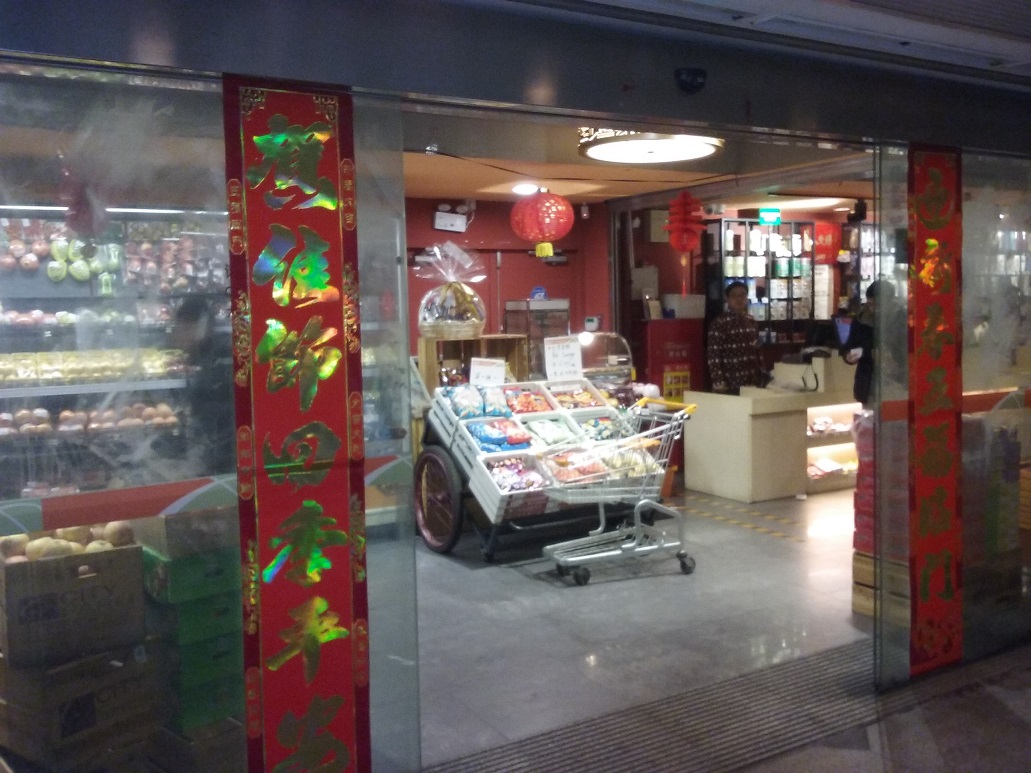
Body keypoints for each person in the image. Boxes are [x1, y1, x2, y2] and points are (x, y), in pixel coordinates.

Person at [169, 296, 236, 475]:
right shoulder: (201, 353)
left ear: (202, 326)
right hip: (209, 445)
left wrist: (194, 408)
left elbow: (229, 406)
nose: (180, 336)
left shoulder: (224, 353)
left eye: (185, 329)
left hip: (226, 451)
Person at [841, 279, 896, 407]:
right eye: (870, 304)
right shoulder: (861, 319)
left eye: (879, 305)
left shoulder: (900, 318)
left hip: (893, 385)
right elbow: (849, 345)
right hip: (867, 383)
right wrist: (848, 356)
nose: (874, 309)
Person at [707, 280, 764, 394]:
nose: (739, 299)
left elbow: (757, 352)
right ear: (727, 299)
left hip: (751, 381)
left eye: (742, 295)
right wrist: (719, 382)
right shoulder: (720, 323)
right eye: (734, 295)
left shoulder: (751, 321)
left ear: (747, 298)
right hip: (729, 382)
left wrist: (761, 373)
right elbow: (713, 355)